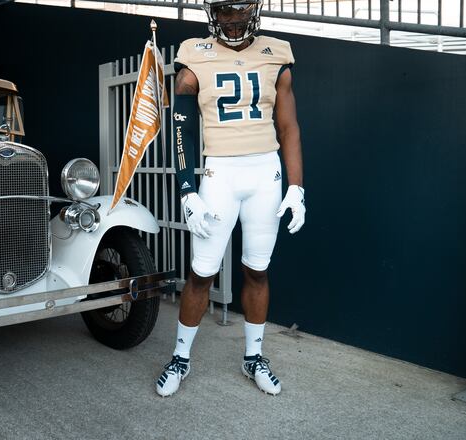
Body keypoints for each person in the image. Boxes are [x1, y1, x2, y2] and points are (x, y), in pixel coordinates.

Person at [156, 0, 305, 397]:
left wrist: (296, 186)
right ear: (213, 13)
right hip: (219, 173)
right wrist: (187, 188)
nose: (234, 18)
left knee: (257, 269)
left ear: (254, 10)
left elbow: (289, 127)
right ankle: (180, 358)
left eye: (241, 9)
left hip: (265, 173)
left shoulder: (277, 52)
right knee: (201, 273)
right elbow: (182, 128)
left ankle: (253, 357)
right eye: (225, 10)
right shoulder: (194, 54)